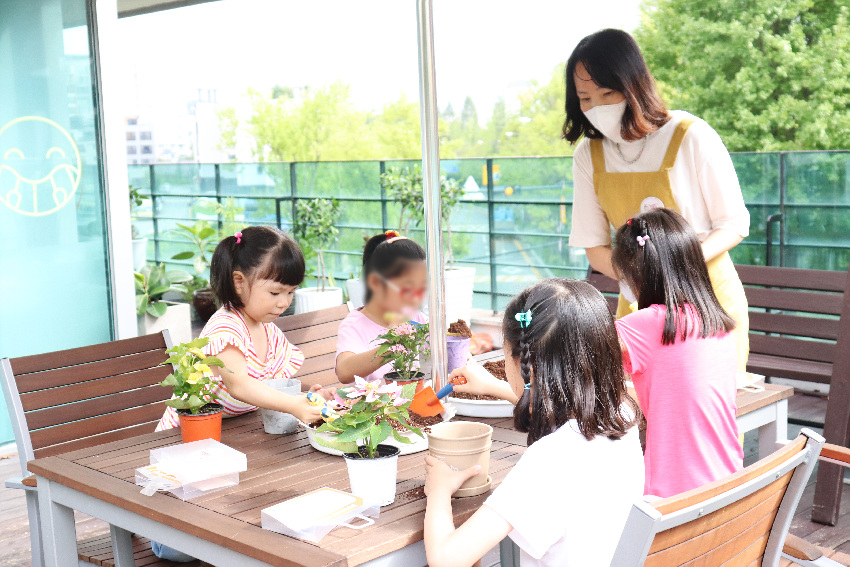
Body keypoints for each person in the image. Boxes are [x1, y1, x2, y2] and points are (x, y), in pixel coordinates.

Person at [565, 28, 750, 370]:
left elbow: (733, 225)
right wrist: (638, 277)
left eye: (607, 93)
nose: (597, 107)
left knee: (706, 402)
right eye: (585, 98)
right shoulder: (588, 154)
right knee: (636, 402)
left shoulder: (691, 135)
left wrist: (671, 268)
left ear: (633, 86)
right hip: (638, 311)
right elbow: (594, 248)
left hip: (708, 304)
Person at [424, 279, 644, 567]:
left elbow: (446, 559)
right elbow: (562, 412)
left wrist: (438, 491)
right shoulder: (622, 415)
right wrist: (495, 386)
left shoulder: (550, 460)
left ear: (528, 366)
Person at [611, 209, 743, 498]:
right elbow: (675, 390)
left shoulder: (646, 324)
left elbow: (573, 357)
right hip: (727, 485)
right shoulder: (717, 322)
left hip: (672, 499)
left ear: (635, 275)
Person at [155, 226, 327, 431]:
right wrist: (293, 405)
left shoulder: (269, 331)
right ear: (239, 283)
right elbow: (240, 386)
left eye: (291, 292)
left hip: (230, 432)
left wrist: (306, 401)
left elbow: (269, 389)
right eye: (275, 293)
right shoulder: (226, 329)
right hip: (187, 433)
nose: (284, 303)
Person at [335, 230, 427, 383]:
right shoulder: (355, 325)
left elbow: (442, 342)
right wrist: (391, 346)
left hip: (411, 396)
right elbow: (344, 372)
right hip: (377, 398)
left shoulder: (412, 315)